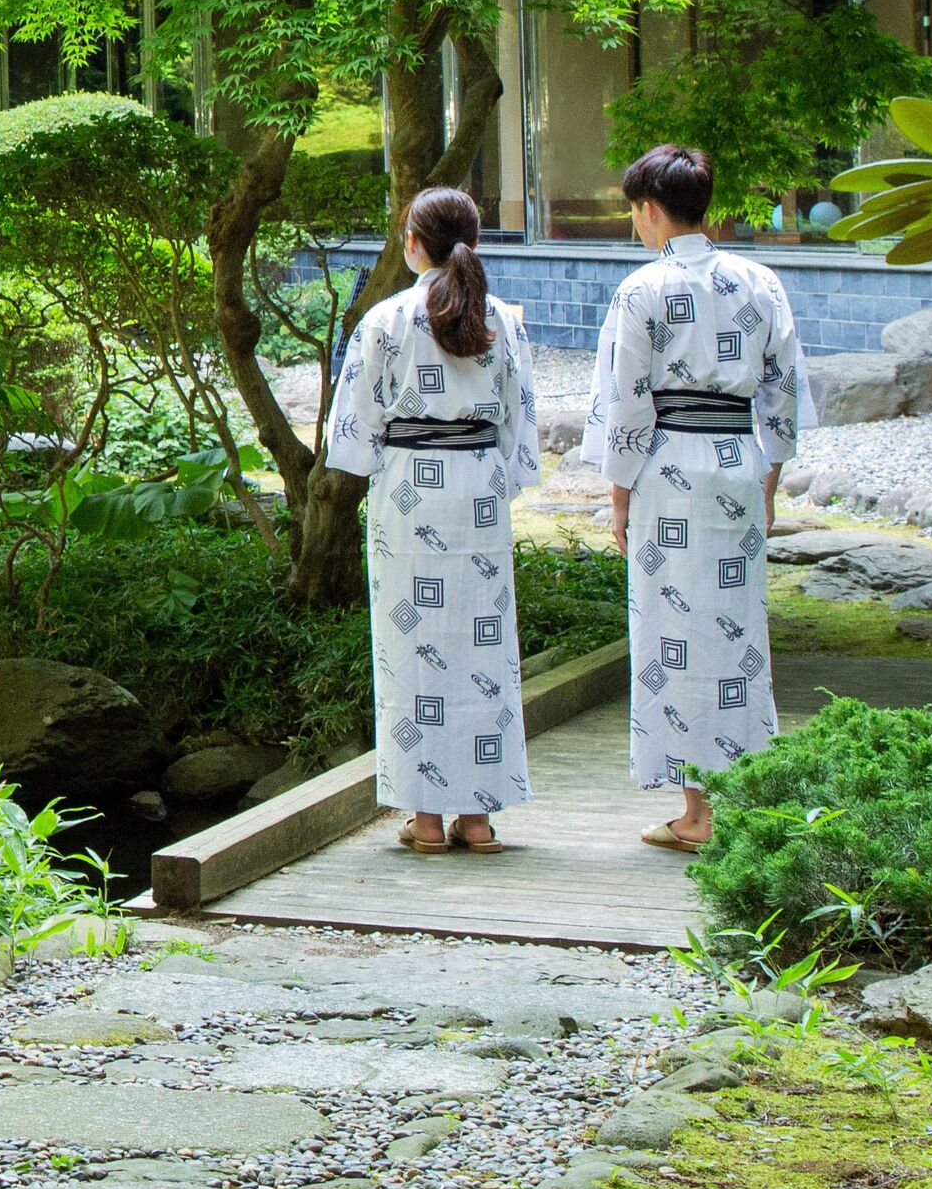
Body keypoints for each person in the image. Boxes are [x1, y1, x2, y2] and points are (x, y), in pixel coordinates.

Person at [588, 142, 813, 852]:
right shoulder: (760, 280)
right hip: (738, 462)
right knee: (738, 629)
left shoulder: (644, 291)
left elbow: (627, 402)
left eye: (635, 212)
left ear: (650, 210)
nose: (636, 225)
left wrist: (619, 498)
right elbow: (784, 388)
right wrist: (769, 478)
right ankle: (737, 796)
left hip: (671, 467)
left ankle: (698, 811)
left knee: (674, 633)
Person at [322, 184, 540, 854]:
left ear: (413, 243)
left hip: (410, 492)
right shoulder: (500, 317)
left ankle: (424, 820)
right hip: (475, 487)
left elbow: (353, 434)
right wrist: (493, 477)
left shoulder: (385, 320)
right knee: (483, 647)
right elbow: (520, 420)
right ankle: (477, 818)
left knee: (410, 652)